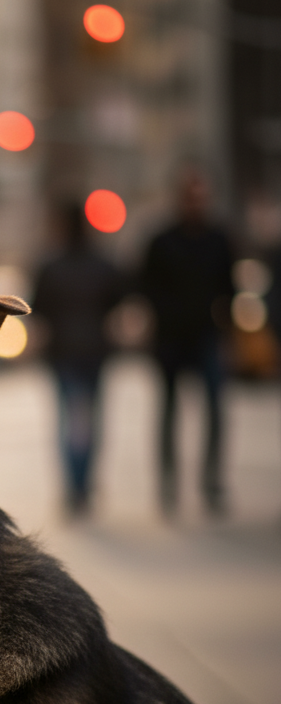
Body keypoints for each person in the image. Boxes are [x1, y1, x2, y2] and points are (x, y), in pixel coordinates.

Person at [140, 167, 235, 516]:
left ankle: (211, 482)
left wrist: (228, 330)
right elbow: (144, 286)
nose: (197, 203)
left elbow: (229, 287)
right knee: (168, 412)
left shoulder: (218, 238)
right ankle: (168, 484)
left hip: (207, 335)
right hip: (170, 339)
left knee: (215, 411)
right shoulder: (161, 240)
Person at [32, 203, 127, 514]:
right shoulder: (101, 263)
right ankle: (84, 484)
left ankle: (73, 486)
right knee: (92, 420)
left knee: (67, 420)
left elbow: (38, 309)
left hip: (62, 352)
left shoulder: (50, 265)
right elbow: (120, 299)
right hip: (95, 351)